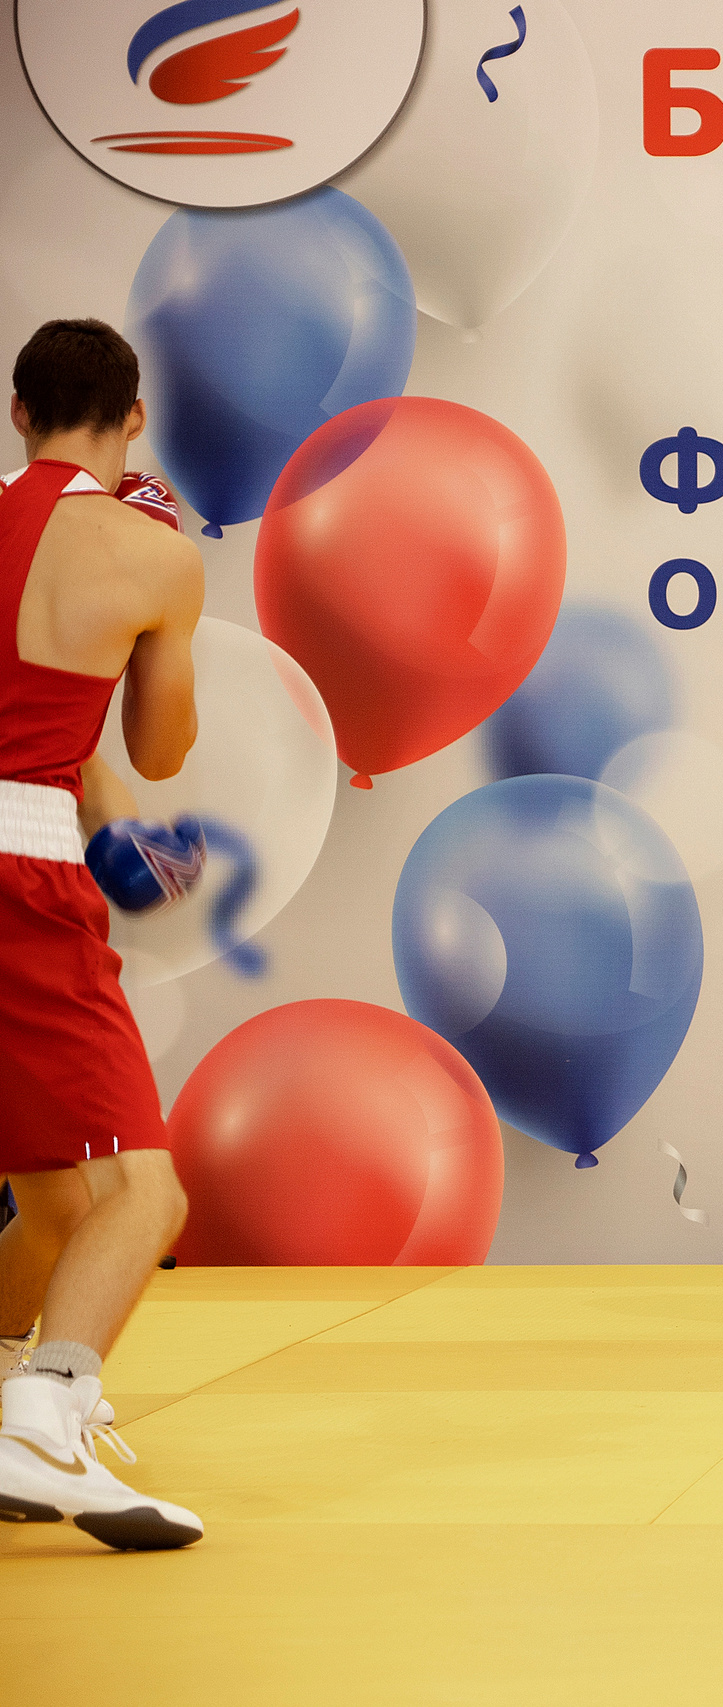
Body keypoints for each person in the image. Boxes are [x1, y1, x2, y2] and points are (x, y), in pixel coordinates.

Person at [0, 317, 205, 1549]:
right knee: (142, 1192)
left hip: (31, 823)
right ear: (133, 420)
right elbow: (160, 748)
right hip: (19, 882)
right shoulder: (147, 552)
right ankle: (44, 1414)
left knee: (57, 1210)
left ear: (18, 411)